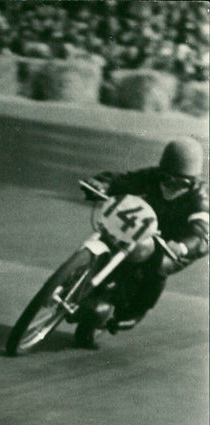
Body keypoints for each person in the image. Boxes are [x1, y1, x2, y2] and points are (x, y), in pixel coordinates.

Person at [75, 137, 209, 349]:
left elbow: (203, 234)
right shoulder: (151, 176)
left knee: (159, 263)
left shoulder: (201, 198)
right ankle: (75, 276)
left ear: (192, 182)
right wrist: (100, 184)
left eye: (180, 183)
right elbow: (122, 180)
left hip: (173, 244)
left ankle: (133, 312)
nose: (170, 186)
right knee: (108, 236)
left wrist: (183, 246)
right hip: (140, 227)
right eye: (166, 178)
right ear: (160, 172)